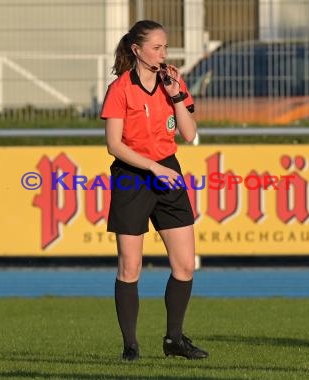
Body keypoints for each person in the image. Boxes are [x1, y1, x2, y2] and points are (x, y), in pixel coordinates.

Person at [100, 20, 208, 361]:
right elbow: (114, 145)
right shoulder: (120, 89)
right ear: (137, 50)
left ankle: (174, 339)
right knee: (130, 267)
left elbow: (189, 134)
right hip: (133, 176)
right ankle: (130, 346)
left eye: (165, 47)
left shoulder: (171, 82)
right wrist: (153, 167)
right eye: (157, 48)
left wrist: (176, 94)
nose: (164, 54)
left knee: (185, 265)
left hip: (168, 172)